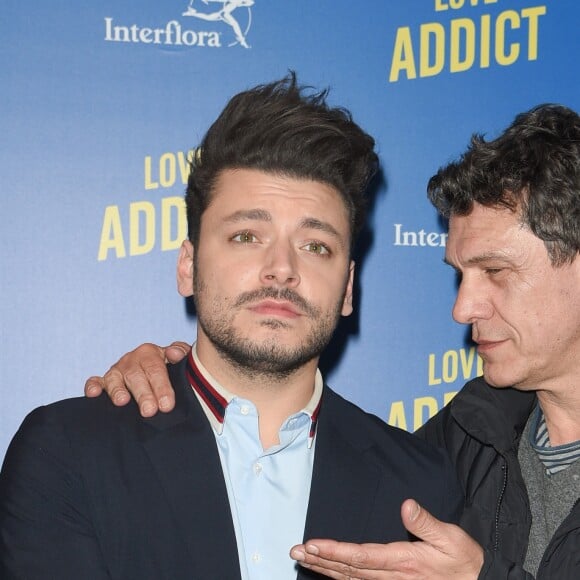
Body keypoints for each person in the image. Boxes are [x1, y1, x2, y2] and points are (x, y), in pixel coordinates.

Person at [0, 74, 463, 580]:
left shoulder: (422, 486)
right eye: (246, 235)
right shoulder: (69, 452)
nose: (282, 268)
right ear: (187, 266)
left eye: (316, 246)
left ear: (348, 287)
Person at [89, 103, 580, 579]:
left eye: (495, 271)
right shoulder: (466, 438)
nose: (461, 309)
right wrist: (173, 375)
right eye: (460, 275)